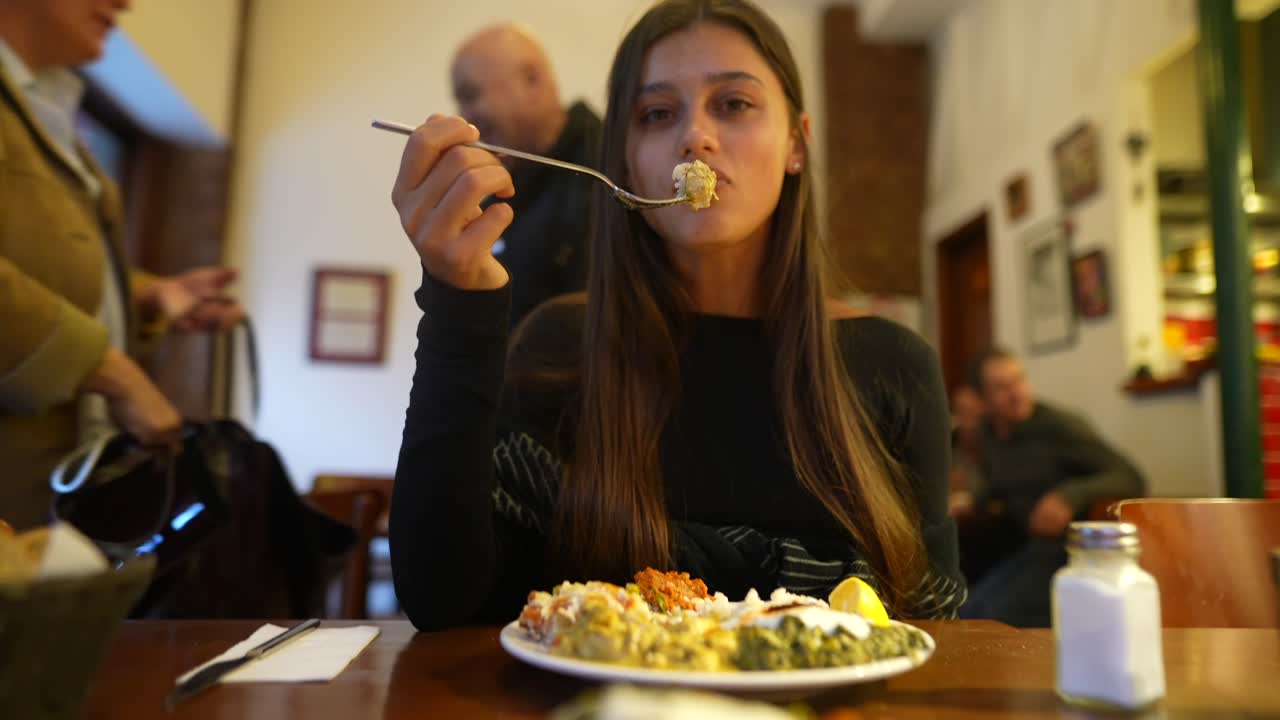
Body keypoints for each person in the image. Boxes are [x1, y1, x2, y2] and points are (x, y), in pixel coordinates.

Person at [388, 0, 965, 631]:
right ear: (625, 160)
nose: (696, 135)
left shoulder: (893, 366)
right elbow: (445, 601)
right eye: (658, 114)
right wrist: (457, 302)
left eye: (734, 104)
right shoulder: (557, 345)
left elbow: (933, 621)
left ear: (797, 144)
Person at [0, 0, 244, 530]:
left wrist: (147, 296)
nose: (125, 3)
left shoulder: (47, 105)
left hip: (46, 499)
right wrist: (112, 371)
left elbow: (36, 257)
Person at [960, 348, 1145, 626]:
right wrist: (975, 499)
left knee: (987, 618)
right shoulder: (988, 433)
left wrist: (1069, 496)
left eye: (1019, 380)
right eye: (1001, 387)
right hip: (1026, 546)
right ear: (983, 400)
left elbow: (1131, 476)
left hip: (1069, 555)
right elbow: (1002, 481)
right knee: (967, 610)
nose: (1017, 393)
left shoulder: (1059, 428)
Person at [448, 23, 603, 326]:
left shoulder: (613, 170)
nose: (464, 116)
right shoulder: (496, 195)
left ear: (532, 80)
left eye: (470, 95)